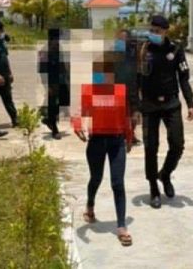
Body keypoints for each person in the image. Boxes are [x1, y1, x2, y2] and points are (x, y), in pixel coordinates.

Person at [72, 58, 133, 247]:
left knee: (118, 183)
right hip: (96, 141)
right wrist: (77, 126)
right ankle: (90, 205)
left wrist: (129, 136)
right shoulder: (88, 91)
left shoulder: (120, 91)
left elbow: (126, 115)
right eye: (97, 75)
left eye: (106, 74)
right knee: (96, 178)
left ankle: (121, 226)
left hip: (117, 142)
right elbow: (77, 111)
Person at [138, 15, 193, 209]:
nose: (153, 33)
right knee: (150, 147)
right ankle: (153, 187)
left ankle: (165, 174)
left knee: (177, 145)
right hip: (149, 105)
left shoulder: (176, 49)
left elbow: (184, 78)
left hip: (171, 103)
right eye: (151, 30)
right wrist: (134, 107)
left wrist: (190, 103)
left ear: (165, 31)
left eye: (157, 31)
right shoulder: (144, 49)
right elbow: (135, 78)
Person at [114, 29, 141, 145]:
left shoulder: (133, 51)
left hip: (132, 86)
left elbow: (138, 67)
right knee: (119, 113)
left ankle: (131, 134)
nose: (123, 40)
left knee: (134, 111)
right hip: (117, 86)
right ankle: (121, 134)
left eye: (125, 38)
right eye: (120, 38)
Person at [39, 29, 66, 140]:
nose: (58, 40)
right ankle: (54, 129)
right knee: (52, 105)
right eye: (57, 38)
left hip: (61, 80)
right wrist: (47, 86)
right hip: (51, 82)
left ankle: (48, 119)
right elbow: (42, 71)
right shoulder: (44, 51)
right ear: (51, 38)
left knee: (65, 102)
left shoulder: (59, 48)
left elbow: (63, 65)